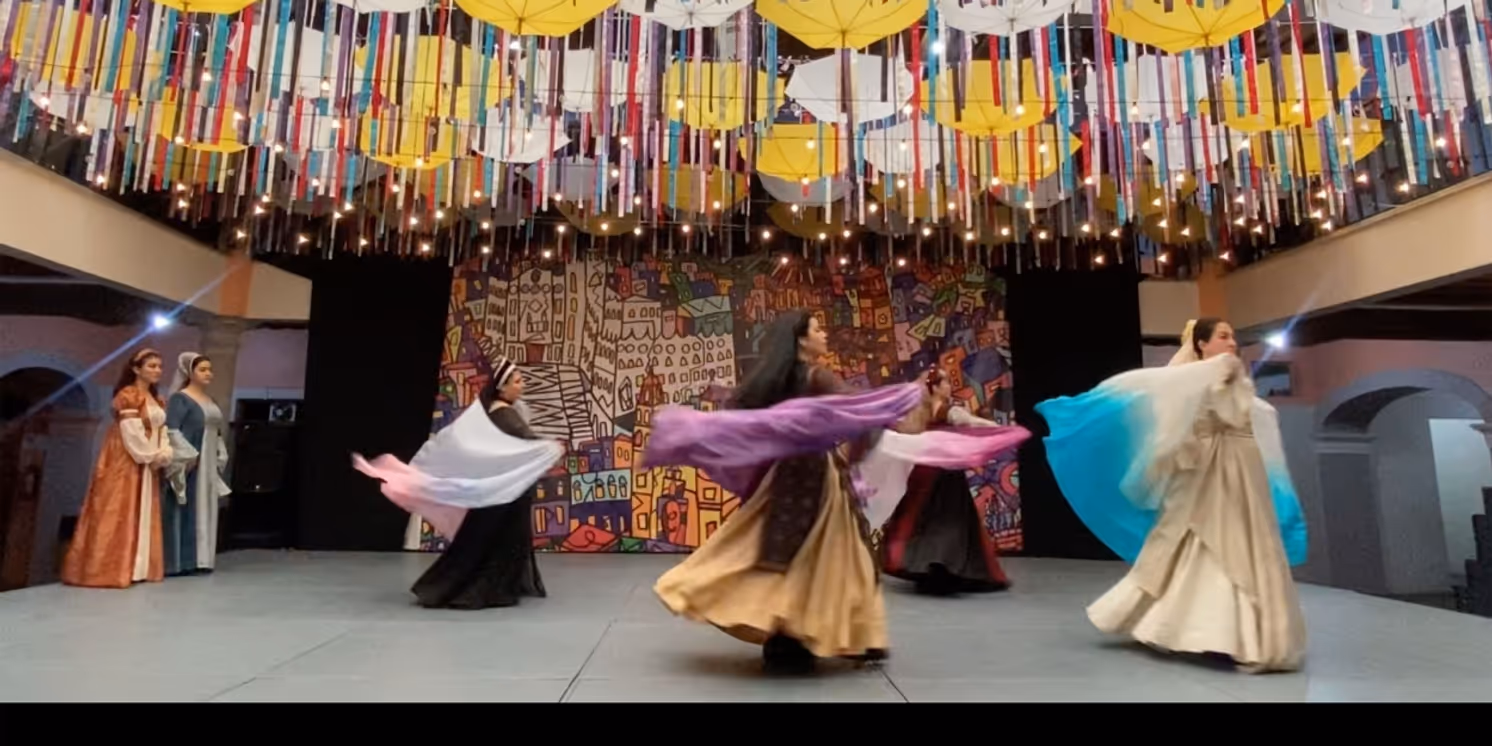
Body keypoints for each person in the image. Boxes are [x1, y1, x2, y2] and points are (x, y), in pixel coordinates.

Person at [1035, 318, 1308, 673]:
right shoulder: (1189, 380)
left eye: (1233, 338)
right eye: (1222, 337)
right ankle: (1214, 630)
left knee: (1242, 539)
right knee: (1210, 539)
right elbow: (1155, 401)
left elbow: (1253, 414)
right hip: (1211, 471)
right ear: (1201, 344)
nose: (1231, 344)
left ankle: (1234, 630)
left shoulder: (1235, 376)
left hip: (1245, 471)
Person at [647, 311, 909, 673]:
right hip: (816, 479)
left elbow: (744, 410)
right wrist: (895, 405)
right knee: (832, 555)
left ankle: (800, 637)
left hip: (784, 476)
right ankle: (838, 634)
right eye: (818, 329)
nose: (824, 334)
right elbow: (857, 408)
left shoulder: (779, 380)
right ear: (802, 339)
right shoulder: (819, 377)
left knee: (778, 551)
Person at [354, 357, 563, 610]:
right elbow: (526, 442)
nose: (522, 386)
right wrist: (550, 448)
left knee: (487, 540)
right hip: (504, 495)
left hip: (503, 492)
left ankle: (494, 586)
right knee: (494, 541)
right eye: (517, 382)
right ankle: (481, 589)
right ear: (502, 387)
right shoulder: (505, 414)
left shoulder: (493, 413)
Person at [877, 366, 1012, 595]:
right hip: (943, 474)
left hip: (923, 472)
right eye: (946, 382)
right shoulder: (945, 409)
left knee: (922, 519)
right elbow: (968, 420)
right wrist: (1001, 429)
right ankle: (940, 565)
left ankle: (926, 566)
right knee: (949, 520)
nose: (950, 386)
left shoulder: (919, 412)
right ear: (937, 388)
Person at [62, 349, 173, 588]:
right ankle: (110, 567)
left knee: (141, 508)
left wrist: (164, 452)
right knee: (119, 508)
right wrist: (150, 455)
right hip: (126, 459)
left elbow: (162, 430)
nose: (157, 370)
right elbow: (130, 432)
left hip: (147, 461)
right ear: (136, 369)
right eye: (152, 366)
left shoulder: (158, 399)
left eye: (159, 366)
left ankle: (138, 566)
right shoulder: (128, 395)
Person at [163, 353, 231, 576]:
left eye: (209, 369)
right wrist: (188, 456)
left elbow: (216, 430)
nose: (208, 373)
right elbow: (172, 429)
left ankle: (203, 558)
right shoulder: (180, 399)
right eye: (203, 369)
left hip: (209, 459)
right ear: (189, 372)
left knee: (206, 506)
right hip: (193, 460)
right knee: (189, 506)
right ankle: (184, 560)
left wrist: (220, 453)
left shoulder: (209, 400)